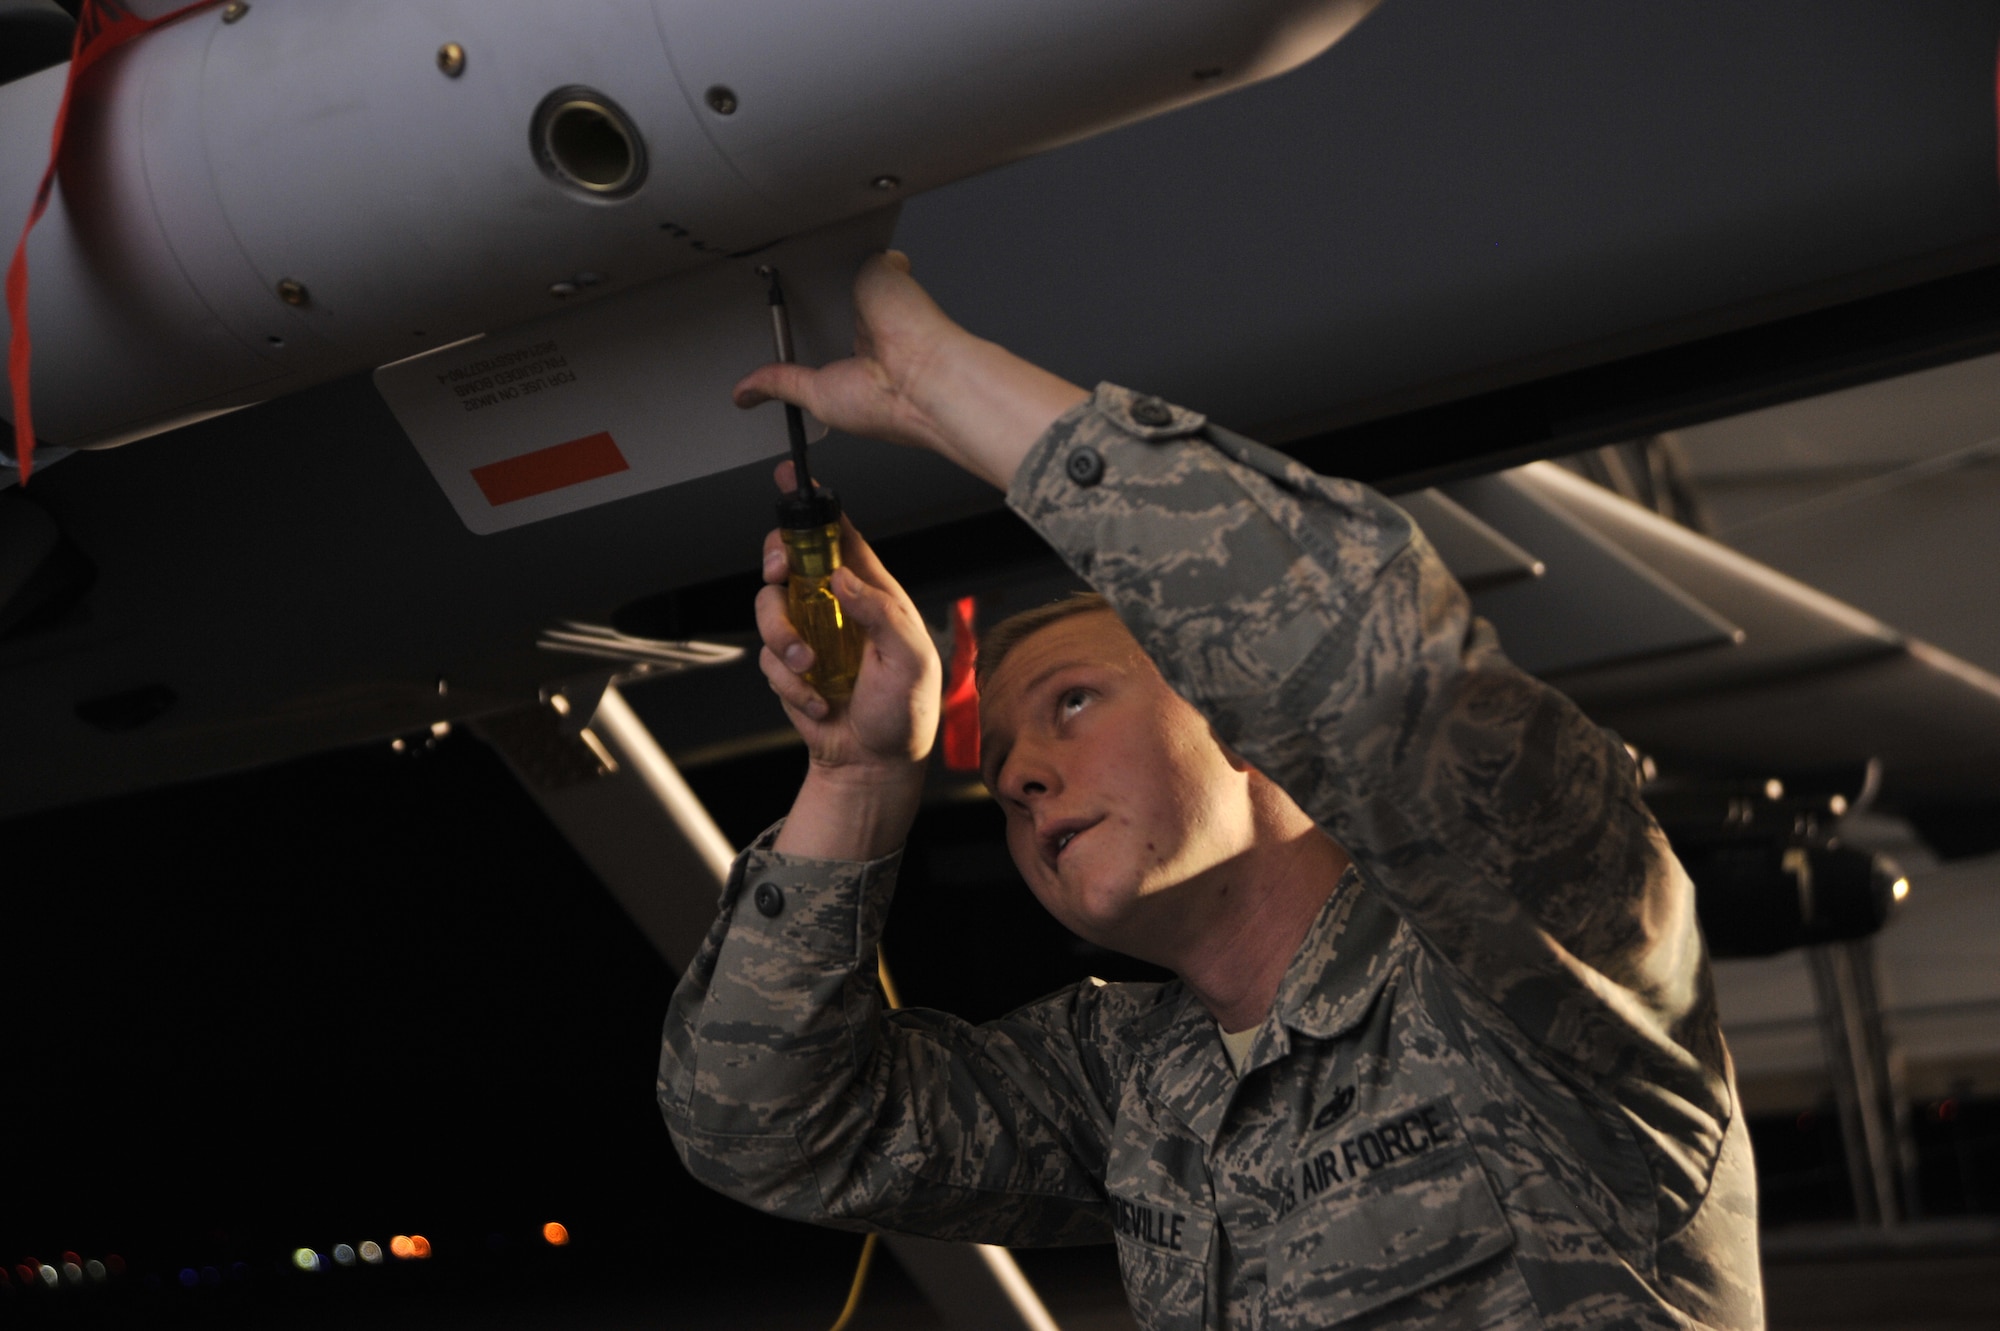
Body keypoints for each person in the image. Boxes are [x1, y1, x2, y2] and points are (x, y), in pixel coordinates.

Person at [658, 252, 1762, 1330]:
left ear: (1237, 716)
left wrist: (954, 391)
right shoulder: (1134, 1082)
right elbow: (763, 1124)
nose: (1021, 774)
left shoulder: (1519, 972)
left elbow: (1381, 680)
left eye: (1074, 702)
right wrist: (858, 778)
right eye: (998, 779)